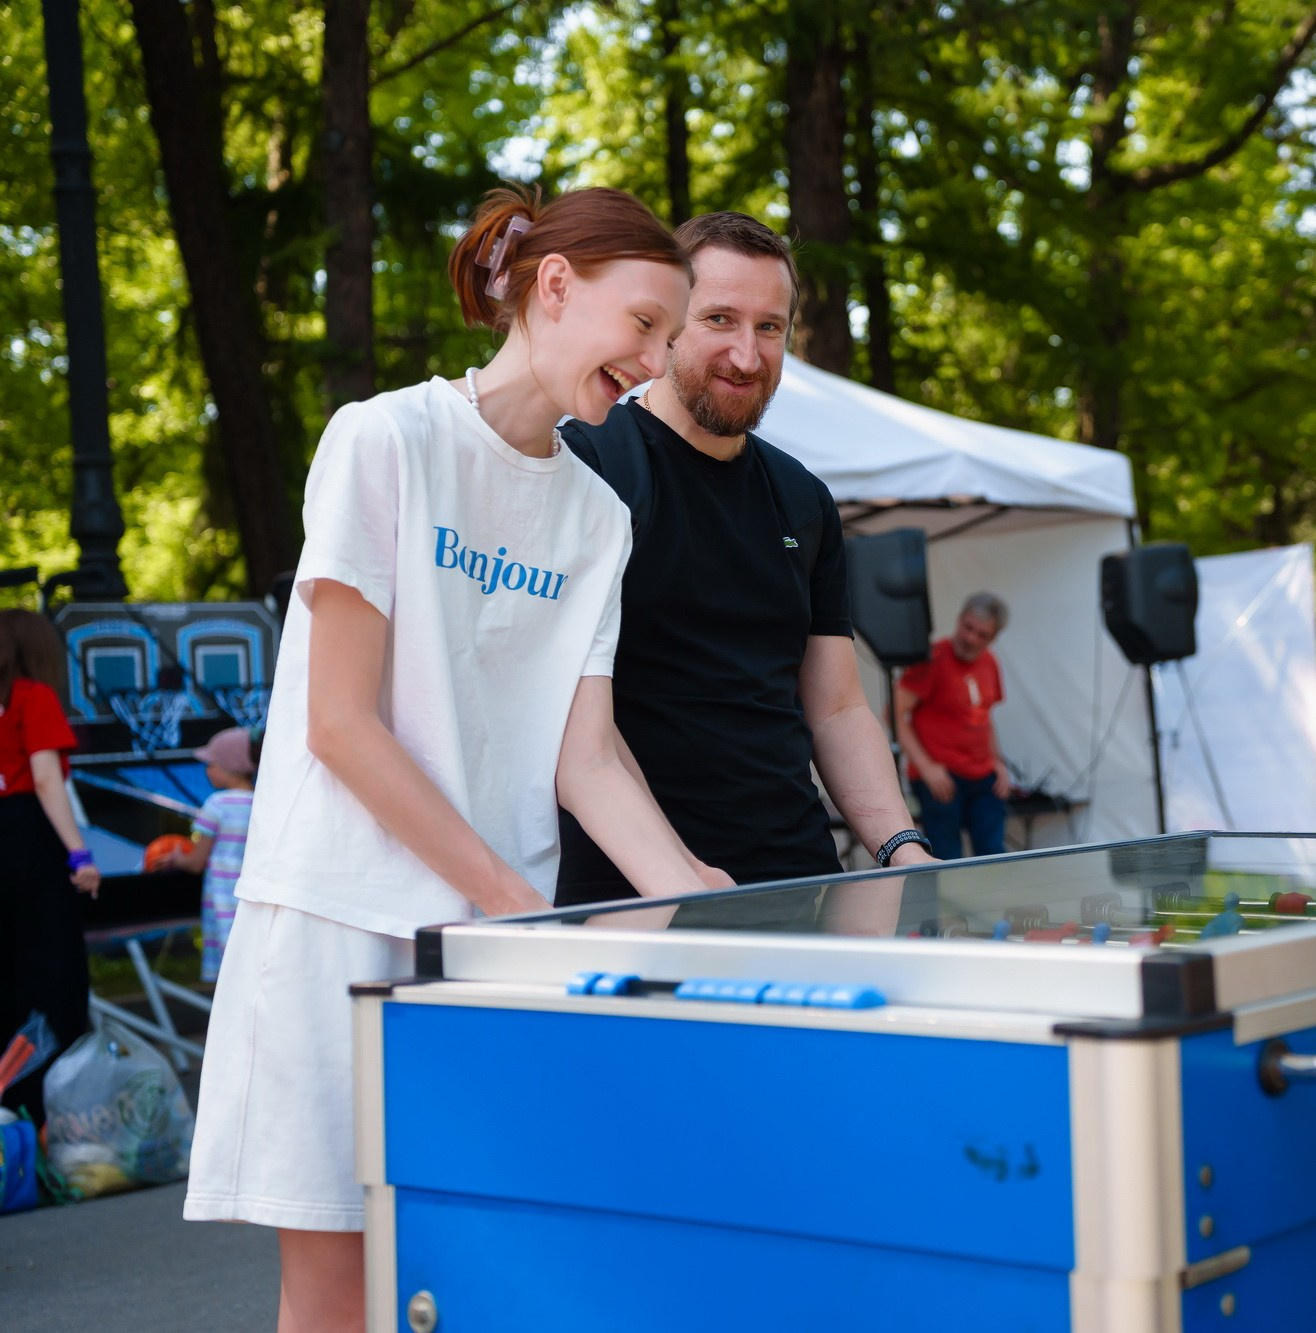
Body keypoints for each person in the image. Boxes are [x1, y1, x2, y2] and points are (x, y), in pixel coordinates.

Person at [184, 185, 721, 1333]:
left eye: (669, 342)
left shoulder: (597, 514)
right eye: (643, 325)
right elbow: (338, 724)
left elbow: (589, 756)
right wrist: (512, 906)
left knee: (473, 1278)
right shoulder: (384, 439)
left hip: (486, 943)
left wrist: (695, 894)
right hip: (340, 916)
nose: (655, 362)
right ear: (554, 285)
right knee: (336, 1292)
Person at [554, 210, 936, 916]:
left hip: (797, 883)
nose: (747, 355)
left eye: (769, 327)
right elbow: (561, 714)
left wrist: (900, 848)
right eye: (720, 320)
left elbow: (838, 706)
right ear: (667, 321)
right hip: (627, 895)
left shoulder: (804, 499)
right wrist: (673, 872)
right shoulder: (589, 462)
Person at [0, 609, 97, 1126]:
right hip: (28, 841)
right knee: (50, 972)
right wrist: (79, 853)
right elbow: (44, 778)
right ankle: (48, 1111)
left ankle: (8, 1115)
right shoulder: (33, 697)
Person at [894, 592, 1015, 858]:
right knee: (947, 859)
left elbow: (984, 717)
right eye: (968, 627)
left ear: (992, 639)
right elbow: (895, 713)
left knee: (995, 855)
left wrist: (998, 762)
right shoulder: (933, 657)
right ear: (959, 620)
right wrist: (926, 767)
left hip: (983, 777)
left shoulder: (990, 662)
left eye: (981, 635)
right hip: (942, 778)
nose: (971, 638)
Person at [155, 726, 258, 981]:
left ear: (230, 765)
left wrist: (176, 857)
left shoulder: (216, 805)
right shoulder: (262, 802)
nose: (206, 770)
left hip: (224, 900)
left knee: (229, 976)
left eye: (211, 764)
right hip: (252, 900)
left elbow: (196, 862)